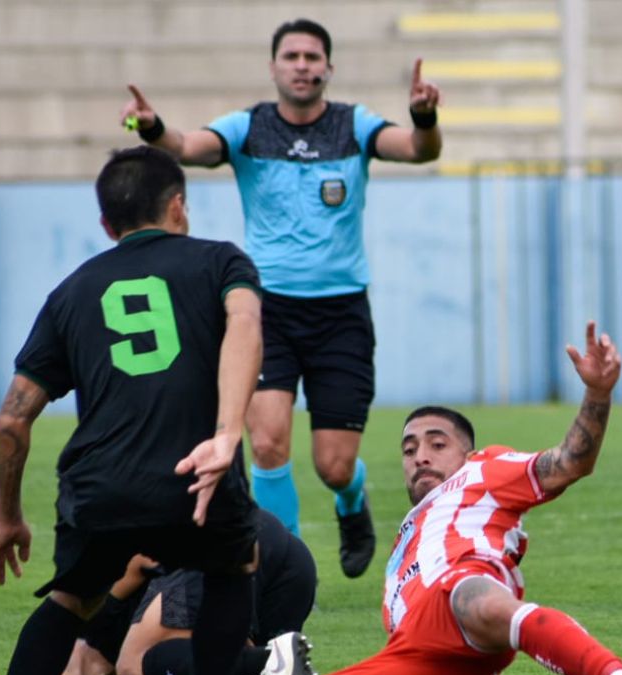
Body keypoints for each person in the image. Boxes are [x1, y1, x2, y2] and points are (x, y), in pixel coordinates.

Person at [0, 145, 265, 675]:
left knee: (72, 600)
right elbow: (246, 324)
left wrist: (6, 519)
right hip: (195, 475)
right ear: (178, 207)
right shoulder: (222, 261)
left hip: (101, 485)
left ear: (107, 225)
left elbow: (11, 422)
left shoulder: (70, 292)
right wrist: (227, 434)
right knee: (232, 570)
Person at [251, 322, 622, 675]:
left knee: (472, 593)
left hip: (468, 599)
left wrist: (598, 393)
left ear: (466, 454)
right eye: (408, 450)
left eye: (436, 444)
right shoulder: (404, 546)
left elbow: (571, 461)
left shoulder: (484, 470)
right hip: (419, 663)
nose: (419, 455)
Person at [119, 18, 443, 578]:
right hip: (265, 311)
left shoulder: (354, 125)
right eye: (291, 56)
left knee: (334, 465)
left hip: (341, 314)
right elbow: (188, 147)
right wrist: (154, 129)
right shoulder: (247, 128)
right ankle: (282, 568)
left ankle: (351, 501)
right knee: (267, 444)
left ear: (328, 69)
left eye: (312, 57)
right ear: (274, 68)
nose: (302, 65)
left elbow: (419, 150)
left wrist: (424, 115)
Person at [44, 509, 319, 675]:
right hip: (289, 573)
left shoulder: (98, 616)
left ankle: (268, 660)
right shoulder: (151, 648)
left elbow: (139, 557)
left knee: (130, 667)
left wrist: (88, 641)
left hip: (232, 545)